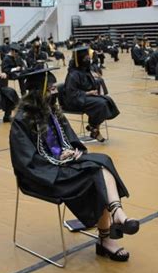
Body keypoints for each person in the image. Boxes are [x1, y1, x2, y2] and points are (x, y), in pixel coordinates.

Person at [9, 67, 139, 262]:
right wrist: (58, 159)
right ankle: (108, 236)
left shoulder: (53, 111)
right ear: (38, 91)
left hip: (63, 164)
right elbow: (25, 161)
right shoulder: (22, 120)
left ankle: (117, 213)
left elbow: (70, 138)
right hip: (42, 175)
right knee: (96, 174)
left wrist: (72, 150)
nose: (55, 92)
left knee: (103, 161)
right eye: (50, 88)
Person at [63, 47, 120, 142]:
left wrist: (96, 84)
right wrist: (87, 93)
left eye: (88, 58)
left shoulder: (84, 70)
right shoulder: (73, 74)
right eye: (86, 58)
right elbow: (71, 94)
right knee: (101, 104)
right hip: (74, 100)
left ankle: (93, 127)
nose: (88, 60)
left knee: (107, 100)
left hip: (84, 97)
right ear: (80, 59)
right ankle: (94, 128)